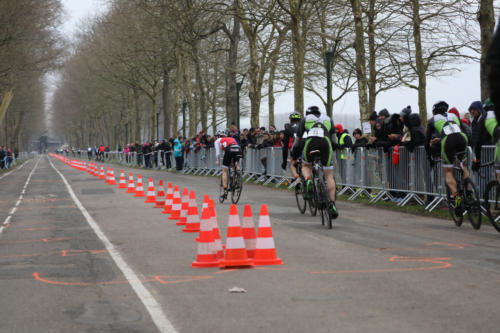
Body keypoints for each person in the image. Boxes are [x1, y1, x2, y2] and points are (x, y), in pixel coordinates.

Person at [425, 101, 470, 216]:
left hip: (448, 141)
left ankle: (457, 198)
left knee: (448, 173)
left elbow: (426, 141)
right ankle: (469, 192)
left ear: (434, 111)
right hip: (462, 138)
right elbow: (461, 130)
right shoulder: (454, 115)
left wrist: (429, 155)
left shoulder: (432, 120)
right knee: (464, 166)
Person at [296, 105, 338, 218]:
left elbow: (298, 140)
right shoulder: (328, 119)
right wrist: (331, 149)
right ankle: (332, 204)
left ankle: (308, 180)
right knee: (329, 175)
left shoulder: (305, 119)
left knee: (306, 165)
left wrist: (294, 151)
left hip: (311, 142)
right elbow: (334, 141)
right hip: (326, 143)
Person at [215, 129, 242, 200]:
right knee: (235, 164)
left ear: (218, 136)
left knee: (224, 170)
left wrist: (217, 160)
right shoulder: (231, 138)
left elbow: (218, 152)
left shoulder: (218, 140)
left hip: (229, 150)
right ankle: (237, 175)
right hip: (238, 149)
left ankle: (225, 190)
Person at [282, 112, 303, 179]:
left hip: (296, 147)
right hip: (306, 146)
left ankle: (296, 178)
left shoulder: (288, 127)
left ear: (291, 120)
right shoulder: (304, 126)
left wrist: (284, 162)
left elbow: (285, 146)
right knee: (308, 164)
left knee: (293, 163)